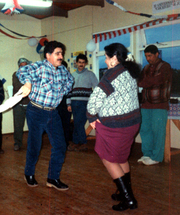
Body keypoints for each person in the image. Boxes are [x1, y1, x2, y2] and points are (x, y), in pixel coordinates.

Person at [86, 43, 141, 211]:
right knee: (121, 158)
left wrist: (91, 117)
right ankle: (123, 191)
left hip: (114, 126)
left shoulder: (111, 75)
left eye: (106, 56)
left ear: (114, 58)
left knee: (109, 159)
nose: (105, 59)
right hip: (132, 122)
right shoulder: (130, 71)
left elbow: (94, 101)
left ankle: (128, 198)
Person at [17, 41, 74, 191]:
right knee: (35, 145)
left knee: (60, 146)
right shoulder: (39, 67)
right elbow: (21, 72)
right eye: (57, 53)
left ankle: (53, 178)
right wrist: (28, 84)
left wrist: (62, 91)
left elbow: (70, 81)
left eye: (62, 53)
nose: (61, 56)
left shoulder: (62, 70)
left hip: (53, 112)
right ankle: (29, 173)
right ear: (48, 55)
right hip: (36, 111)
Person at [137, 45, 172, 165]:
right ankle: (147, 154)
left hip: (159, 105)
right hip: (145, 104)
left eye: (150, 56)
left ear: (157, 54)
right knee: (145, 130)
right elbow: (139, 80)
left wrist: (143, 82)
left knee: (158, 132)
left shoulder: (165, 66)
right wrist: (142, 82)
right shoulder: (146, 68)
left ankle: (156, 157)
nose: (148, 59)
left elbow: (155, 81)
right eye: (146, 56)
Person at [67, 54, 98, 151]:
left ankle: (82, 143)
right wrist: (68, 103)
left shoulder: (90, 74)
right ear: (76, 63)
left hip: (85, 103)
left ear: (86, 63)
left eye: (83, 62)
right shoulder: (72, 75)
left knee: (79, 123)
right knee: (77, 123)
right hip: (74, 102)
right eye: (79, 62)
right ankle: (77, 142)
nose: (81, 64)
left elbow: (97, 89)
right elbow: (69, 91)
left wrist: (94, 102)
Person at [12, 58, 30, 151]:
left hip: (30, 105)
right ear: (19, 67)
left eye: (25, 65)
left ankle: (32, 144)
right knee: (18, 126)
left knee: (32, 126)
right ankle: (17, 144)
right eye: (21, 66)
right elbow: (18, 87)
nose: (23, 68)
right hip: (18, 105)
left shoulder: (31, 74)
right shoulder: (15, 75)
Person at [56, 60, 72, 146]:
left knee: (66, 124)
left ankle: (65, 143)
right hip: (57, 105)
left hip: (66, 104)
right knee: (58, 124)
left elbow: (69, 92)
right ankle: (59, 142)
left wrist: (69, 104)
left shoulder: (68, 78)